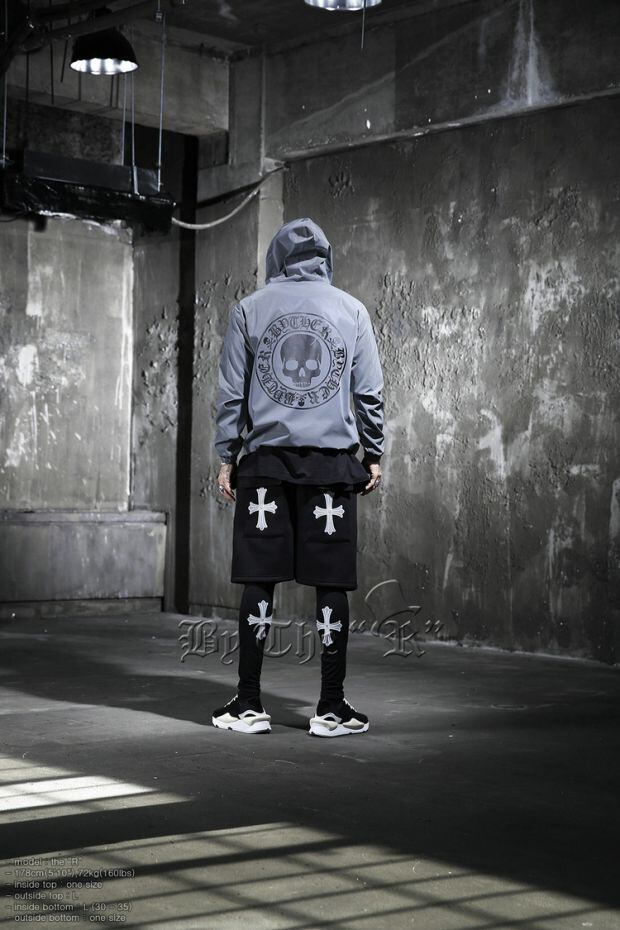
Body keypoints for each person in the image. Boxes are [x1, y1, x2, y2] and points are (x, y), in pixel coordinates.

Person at [211, 217, 384, 737]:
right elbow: (368, 391)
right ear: (325, 258)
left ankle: (248, 703)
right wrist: (373, 451)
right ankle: (331, 707)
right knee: (331, 583)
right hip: (331, 466)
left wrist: (227, 455)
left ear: (276, 258)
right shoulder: (352, 310)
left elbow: (232, 393)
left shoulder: (249, 308)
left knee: (259, 578)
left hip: (265, 465)